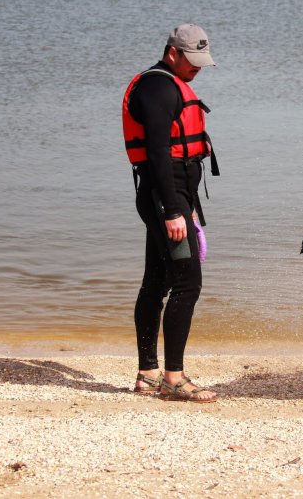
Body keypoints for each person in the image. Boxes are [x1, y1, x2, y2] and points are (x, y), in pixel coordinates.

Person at [121, 23, 219, 402]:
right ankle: (173, 378)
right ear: (172, 52)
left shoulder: (164, 84)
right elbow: (159, 155)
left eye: (201, 61)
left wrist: (185, 207)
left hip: (171, 198)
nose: (197, 68)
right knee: (187, 283)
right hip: (166, 200)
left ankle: (148, 372)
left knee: (157, 282)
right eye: (191, 60)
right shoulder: (158, 88)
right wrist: (174, 212)